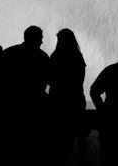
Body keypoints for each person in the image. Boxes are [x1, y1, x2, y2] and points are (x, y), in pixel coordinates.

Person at [47, 28, 86, 163]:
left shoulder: (55, 56)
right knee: (70, 138)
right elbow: (80, 80)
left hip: (57, 101)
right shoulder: (77, 56)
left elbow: (49, 78)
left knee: (57, 139)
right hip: (74, 101)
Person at [1, 25, 49, 114]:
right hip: (36, 103)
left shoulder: (9, 53)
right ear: (34, 39)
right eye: (40, 39)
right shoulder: (43, 57)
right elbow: (49, 78)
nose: (41, 42)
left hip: (12, 102)